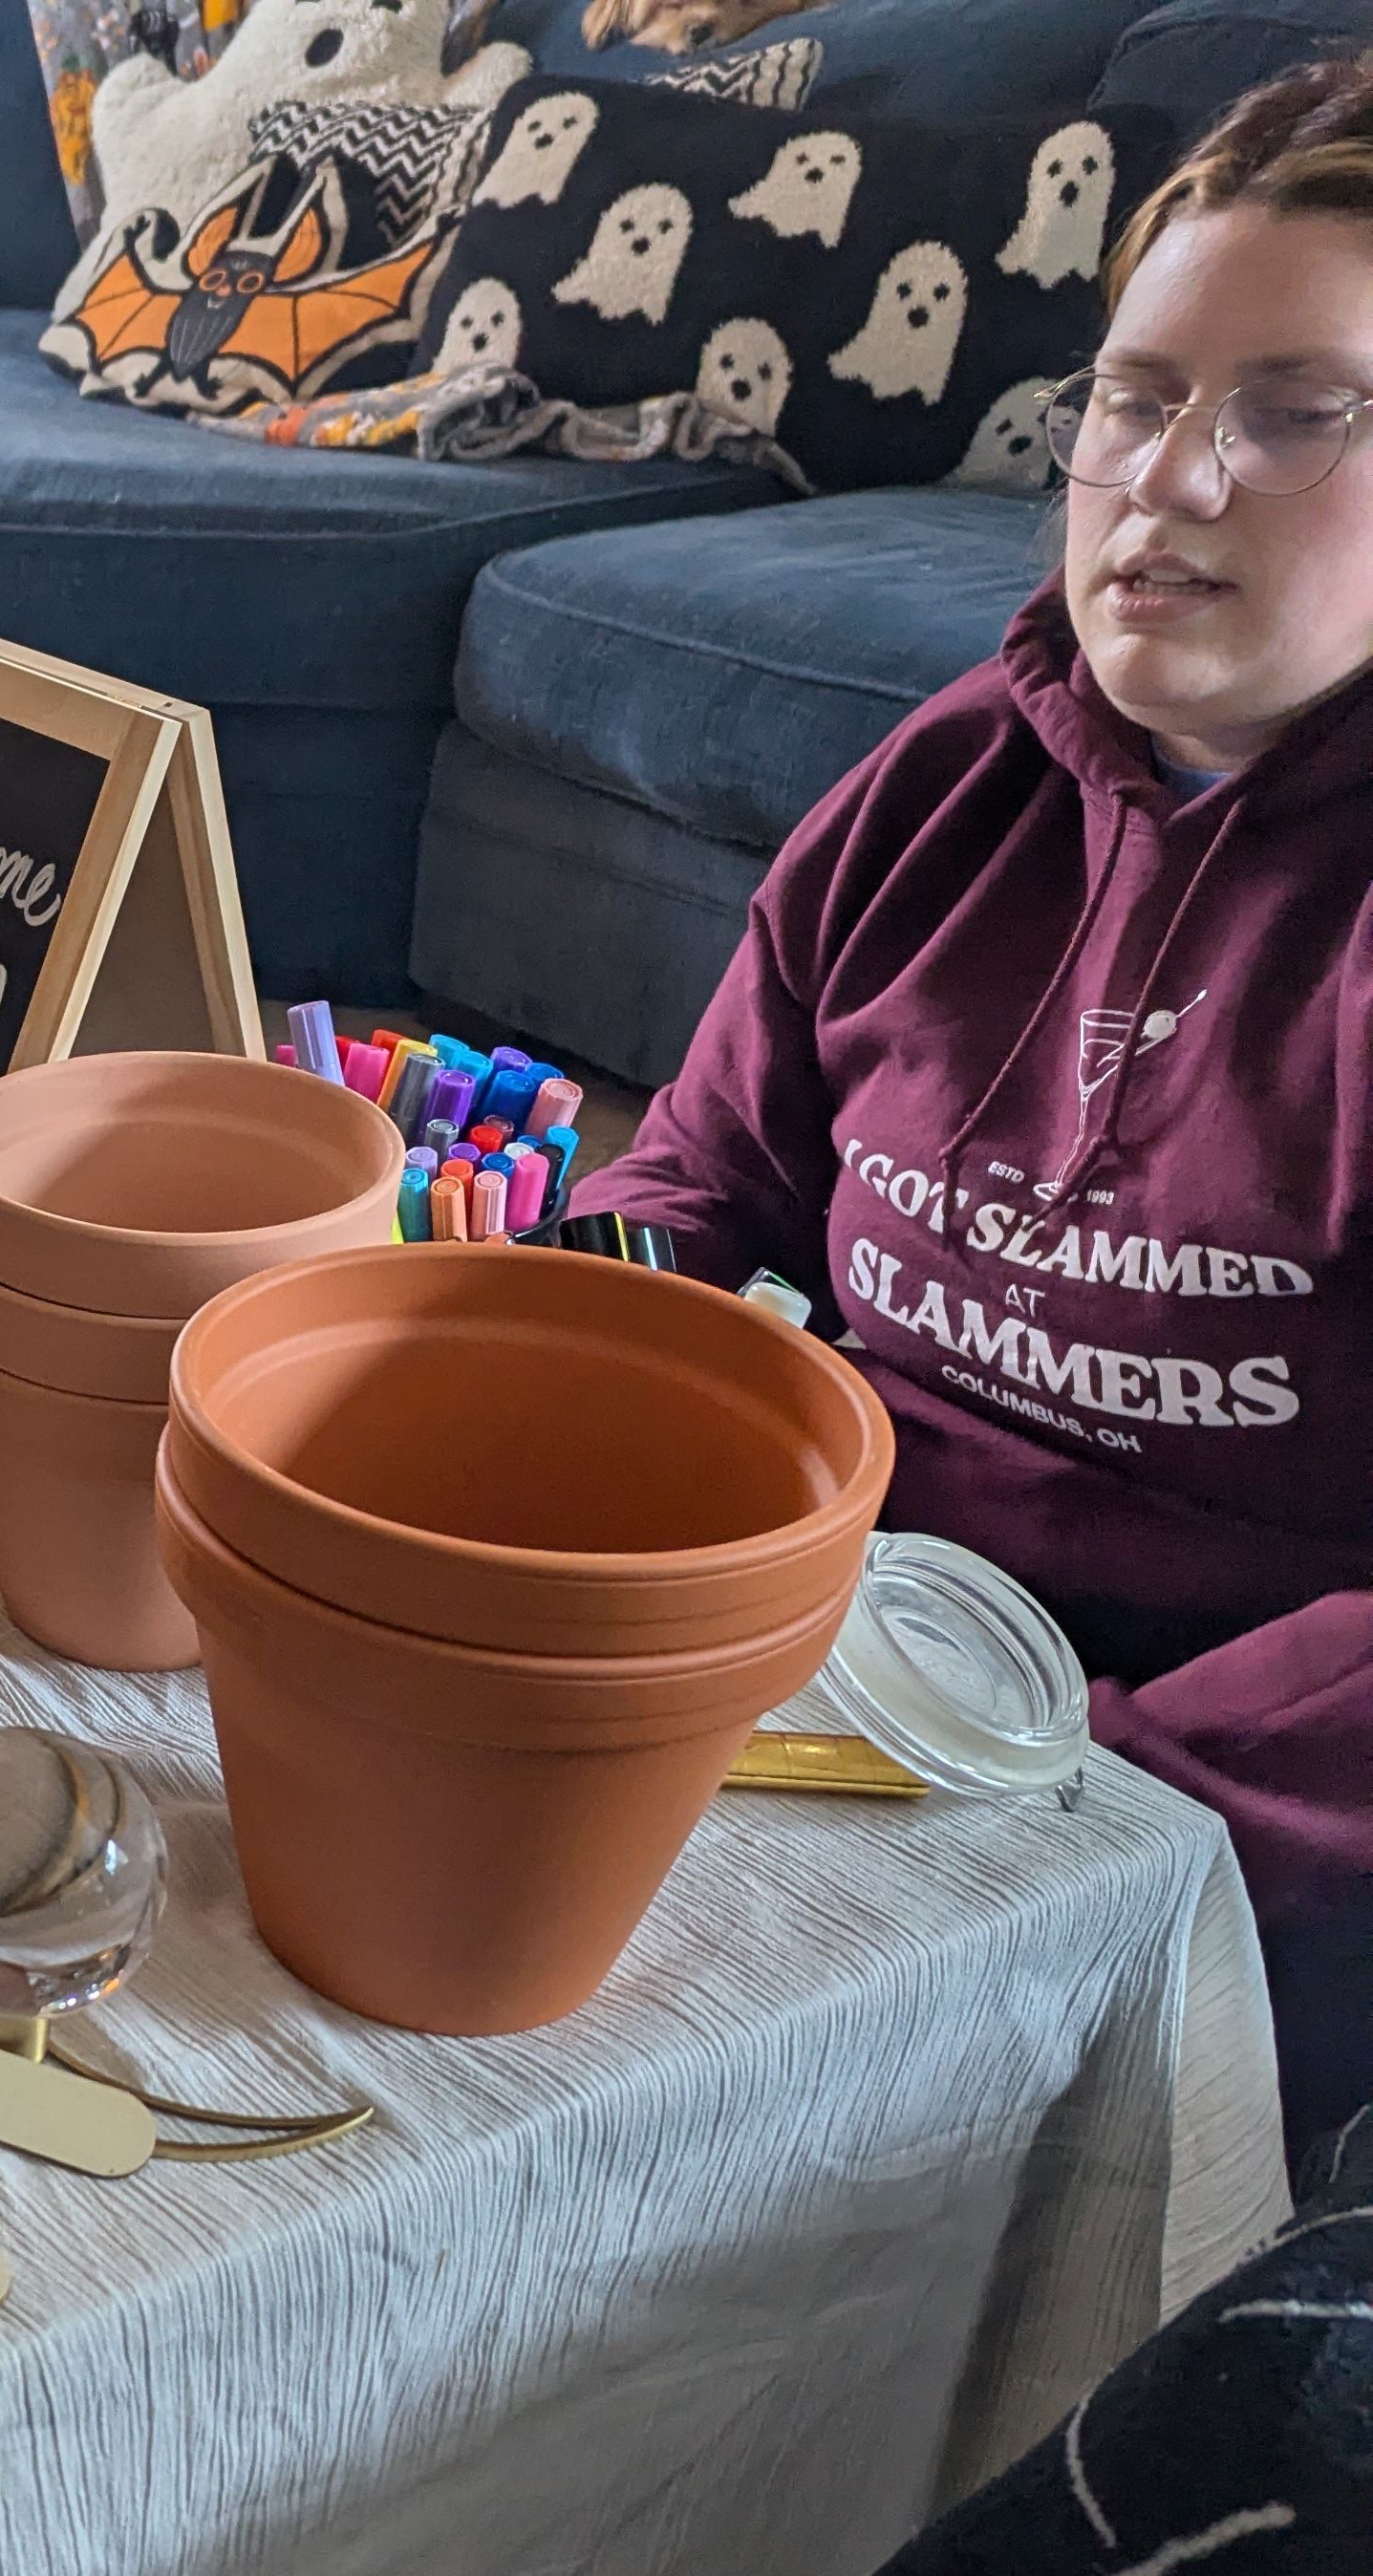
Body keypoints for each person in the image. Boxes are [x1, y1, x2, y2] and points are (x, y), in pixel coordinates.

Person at [590, 58, 1373, 2159]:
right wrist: (574, 1378)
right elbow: (708, 1169)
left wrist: (1066, 1814)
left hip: (1192, 1830)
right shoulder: (954, 779)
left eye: (1295, 411)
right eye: (1134, 397)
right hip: (838, 1678)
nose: (1171, 482)